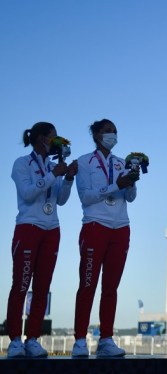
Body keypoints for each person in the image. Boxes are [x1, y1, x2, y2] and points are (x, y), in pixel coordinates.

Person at [6, 122, 77, 358]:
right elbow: (27, 194)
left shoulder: (54, 166)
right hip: (28, 228)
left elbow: (62, 200)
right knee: (21, 285)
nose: (56, 142)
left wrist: (67, 179)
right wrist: (51, 175)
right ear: (40, 139)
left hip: (52, 230)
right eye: (53, 137)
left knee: (42, 288)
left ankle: (33, 338)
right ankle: (15, 339)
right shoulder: (22, 163)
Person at [71, 119, 140, 357]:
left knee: (111, 287)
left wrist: (131, 180)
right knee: (88, 284)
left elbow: (129, 197)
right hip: (95, 225)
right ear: (97, 135)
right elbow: (85, 197)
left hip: (121, 227)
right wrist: (114, 185)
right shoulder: (83, 162)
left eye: (115, 131)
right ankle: (80, 339)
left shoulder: (122, 163)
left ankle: (106, 339)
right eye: (108, 131)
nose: (113, 135)